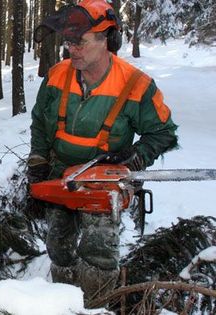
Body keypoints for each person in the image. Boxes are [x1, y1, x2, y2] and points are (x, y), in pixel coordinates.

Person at [29, 0, 178, 305]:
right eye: (69, 42)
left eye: (80, 42)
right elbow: (40, 123)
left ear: (107, 39)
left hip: (104, 180)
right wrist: (38, 162)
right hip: (61, 173)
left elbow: (163, 132)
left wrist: (133, 159)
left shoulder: (135, 84)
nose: (73, 50)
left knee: (98, 251)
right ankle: (62, 303)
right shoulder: (57, 75)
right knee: (58, 244)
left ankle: (95, 305)